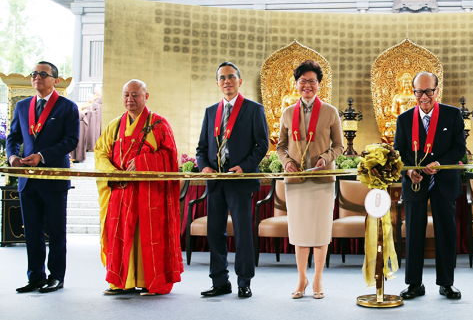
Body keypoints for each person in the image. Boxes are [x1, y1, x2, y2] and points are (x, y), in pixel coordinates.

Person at [94, 80, 184, 295]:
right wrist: (114, 173)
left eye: (135, 95)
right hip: (121, 192)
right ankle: (121, 281)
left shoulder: (159, 124)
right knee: (119, 235)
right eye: (126, 95)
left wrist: (144, 162)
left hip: (149, 194)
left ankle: (148, 281)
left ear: (146, 96)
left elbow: (171, 158)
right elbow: (100, 153)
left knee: (147, 237)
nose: (130, 99)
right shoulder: (114, 126)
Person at [196, 62, 269, 299]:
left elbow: (262, 144)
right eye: (222, 78)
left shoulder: (253, 109)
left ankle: (244, 282)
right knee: (215, 232)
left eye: (231, 77)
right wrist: (204, 166)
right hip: (216, 181)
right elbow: (201, 148)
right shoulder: (210, 112)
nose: (227, 81)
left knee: (242, 233)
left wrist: (245, 167)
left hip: (239, 179)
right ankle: (220, 281)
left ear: (239, 81)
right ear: (217, 84)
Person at [7, 61, 79, 293]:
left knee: (56, 231)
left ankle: (56, 277)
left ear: (55, 80)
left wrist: (42, 155)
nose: (37, 77)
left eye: (43, 74)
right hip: (27, 179)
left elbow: (71, 141)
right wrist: (12, 158)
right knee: (32, 230)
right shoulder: (22, 106)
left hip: (54, 177)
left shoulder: (67, 107)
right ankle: (35, 277)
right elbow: (13, 137)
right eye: (34, 74)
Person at [394, 71, 466, 300]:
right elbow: (400, 153)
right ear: (413, 92)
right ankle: (414, 283)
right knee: (414, 231)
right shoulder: (404, 118)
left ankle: (446, 283)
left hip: (443, 181)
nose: (424, 96)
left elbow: (459, 149)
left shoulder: (452, 114)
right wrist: (410, 171)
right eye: (418, 92)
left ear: (437, 90)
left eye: (428, 91)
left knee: (446, 230)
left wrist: (441, 163)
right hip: (415, 184)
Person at [277, 60, 343, 299]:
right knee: (300, 232)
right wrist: (287, 162)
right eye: (303, 81)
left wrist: (326, 158)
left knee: (320, 231)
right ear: (296, 84)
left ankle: (317, 280)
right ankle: (301, 279)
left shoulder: (330, 112)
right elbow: (280, 147)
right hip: (295, 181)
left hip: (322, 180)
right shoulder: (287, 113)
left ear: (319, 84)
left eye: (312, 81)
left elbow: (339, 146)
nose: (307, 85)